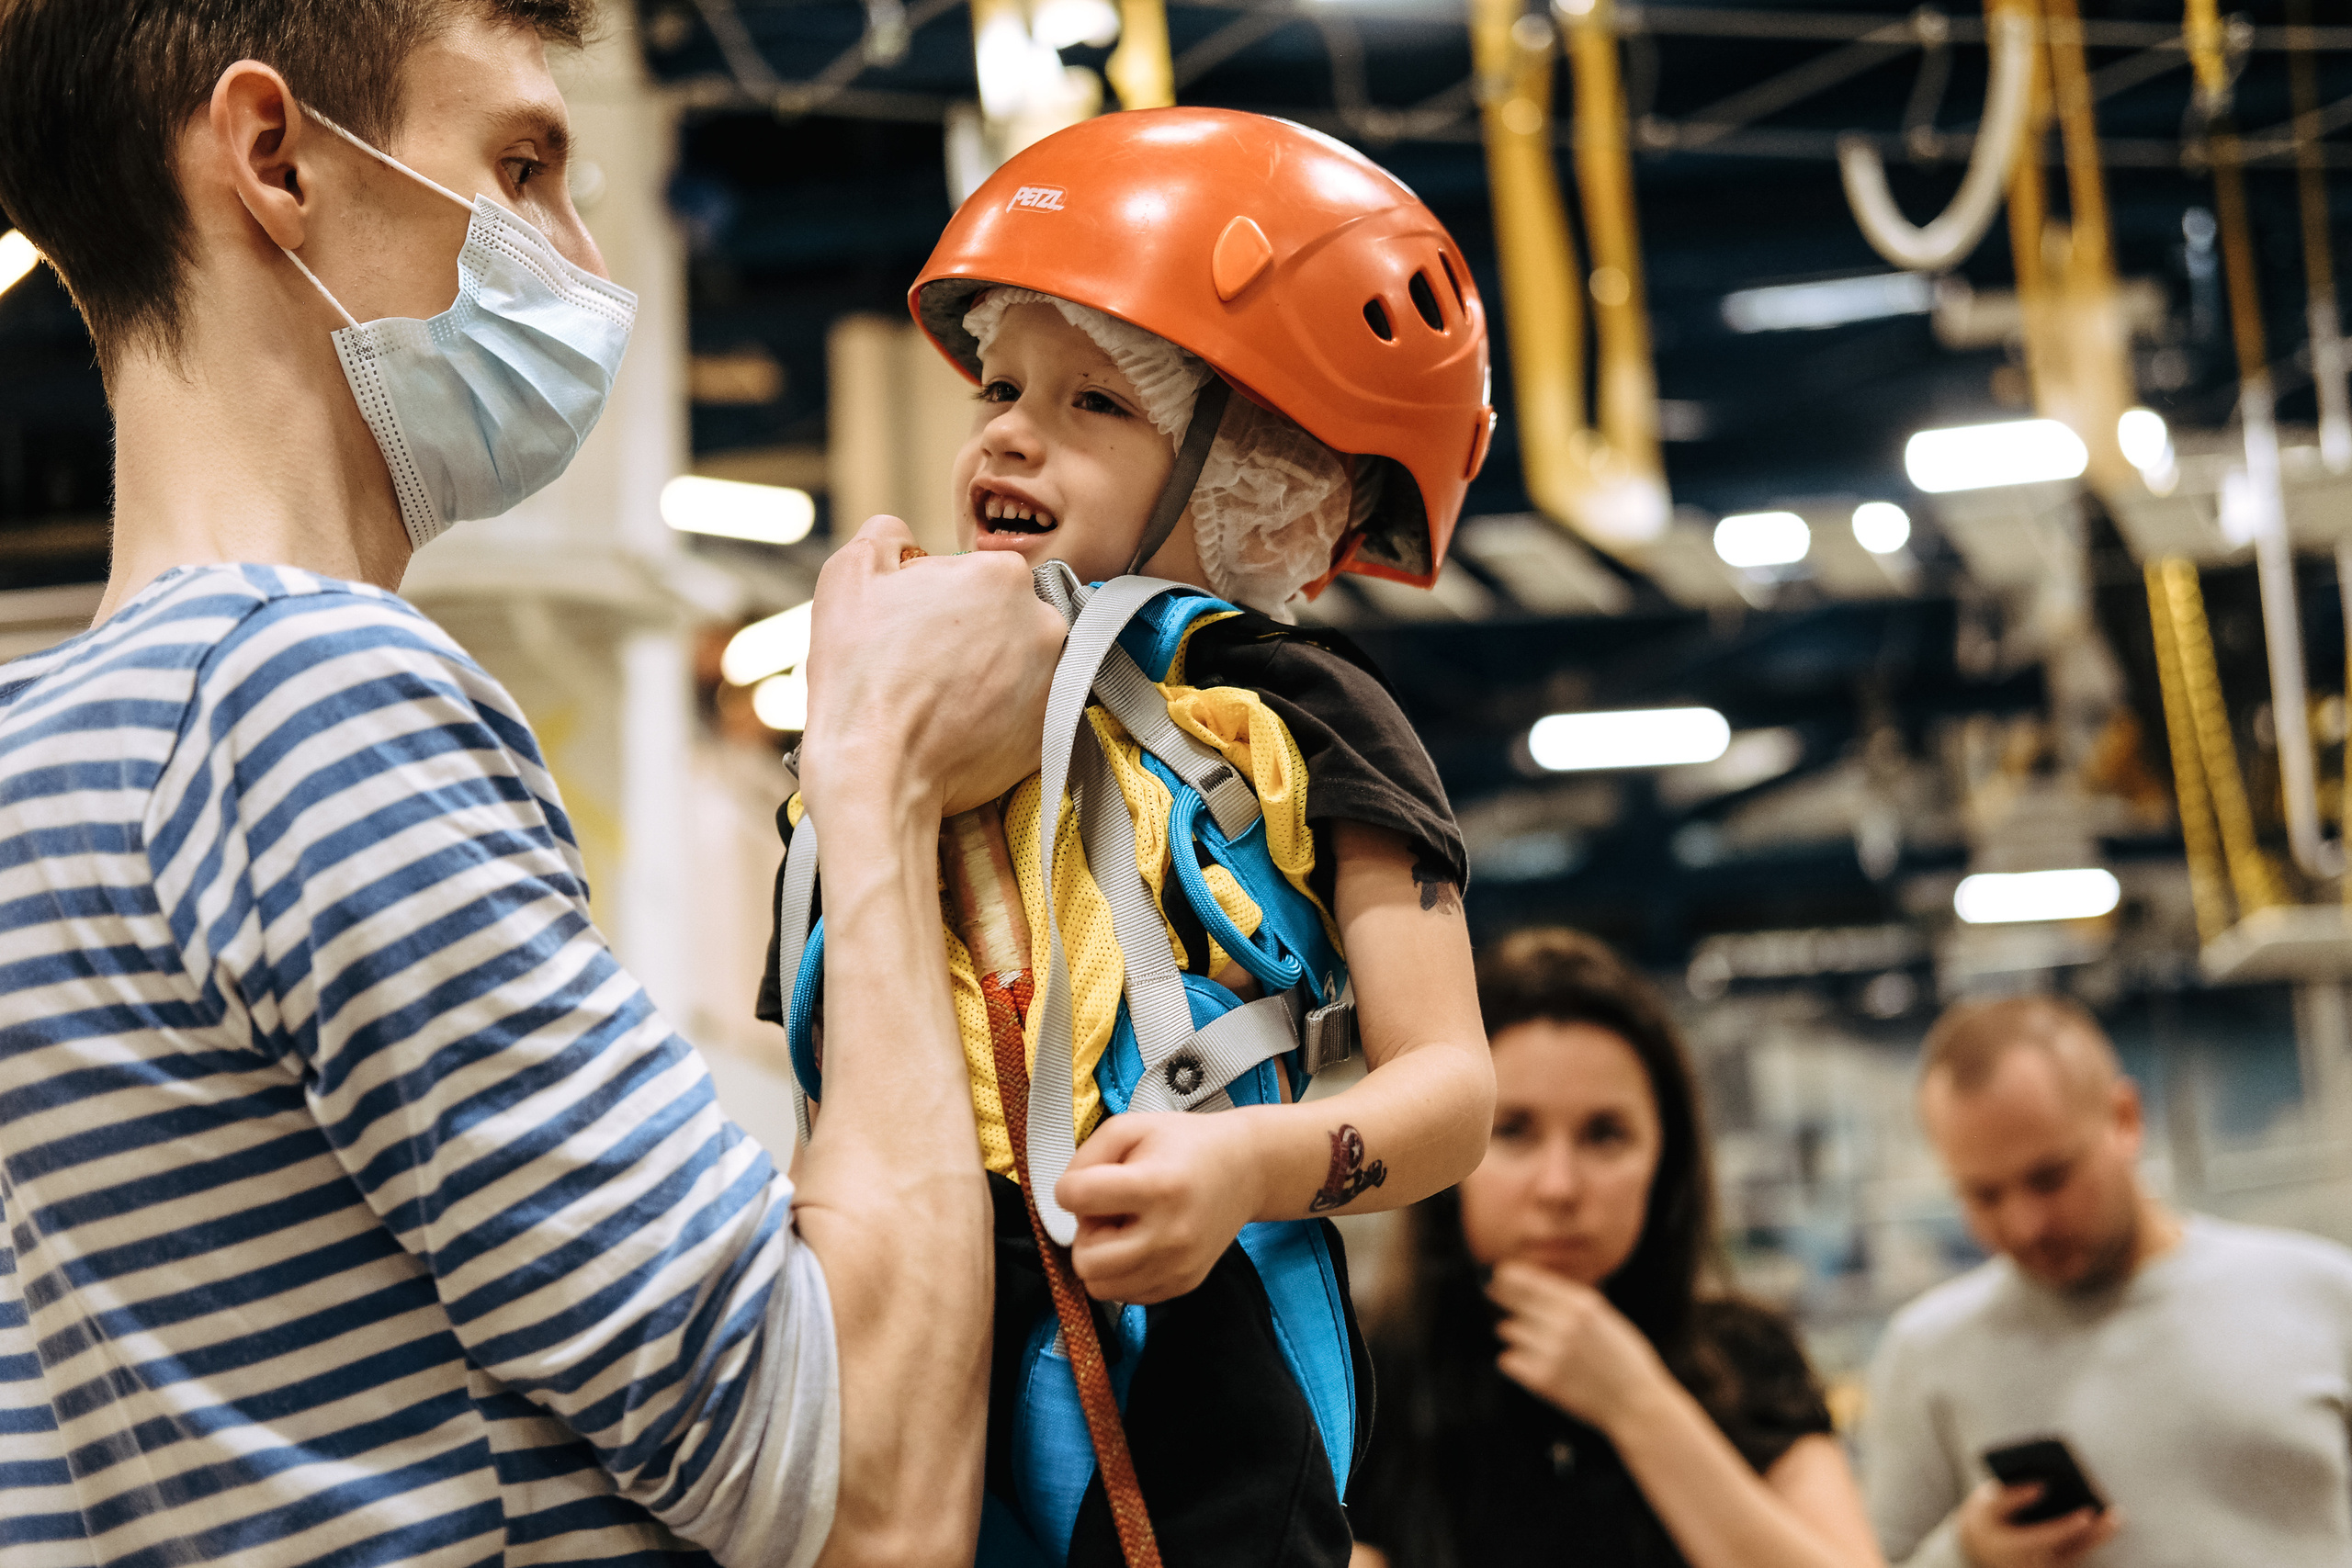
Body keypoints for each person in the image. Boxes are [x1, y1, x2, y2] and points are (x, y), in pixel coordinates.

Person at [0, 5, 1063, 1564]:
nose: (589, 266)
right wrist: (878, 771)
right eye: (521, 166)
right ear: (275, 157)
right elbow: (859, 1488)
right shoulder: (305, 702)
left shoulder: (46, 748)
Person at [758, 110, 1495, 1565]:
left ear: (1260, 476)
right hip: (927, 1297)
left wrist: (1251, 1170)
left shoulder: (1290, 706)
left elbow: (1451, 1087)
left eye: (1101, 404)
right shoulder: (874, 712)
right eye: (1005, 383)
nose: (1011, 429)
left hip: (1198, 1311)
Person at [1351, 929, 1883, 1568]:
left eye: (1605, 1135)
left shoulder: (1747, 1357)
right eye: (1513, 1131)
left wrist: (1638, 1404)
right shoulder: (1367, 1377)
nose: (1559, 1186)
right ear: (1445, 1152)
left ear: (1666, 1160)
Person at [1863, 994, 2352, 1568]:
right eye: (1983, 1195)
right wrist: (1966, 1555)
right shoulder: (1927, 1354)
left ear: (2124, 1119)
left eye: (2050, 1178)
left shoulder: (2321, 1294)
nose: (2025, 1225)